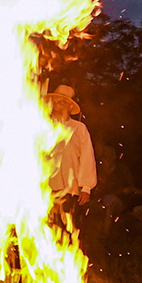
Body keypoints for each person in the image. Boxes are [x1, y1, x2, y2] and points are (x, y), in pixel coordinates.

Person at [46, 86, 98, 226]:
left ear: (70, 106)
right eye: (55, 102)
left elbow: (87, 158)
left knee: (66, 230)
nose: (57, 106)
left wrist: (86, 187)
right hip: (44, 188)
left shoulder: (79, 128)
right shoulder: (41, 124)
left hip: (69, 189)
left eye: (61, 102)